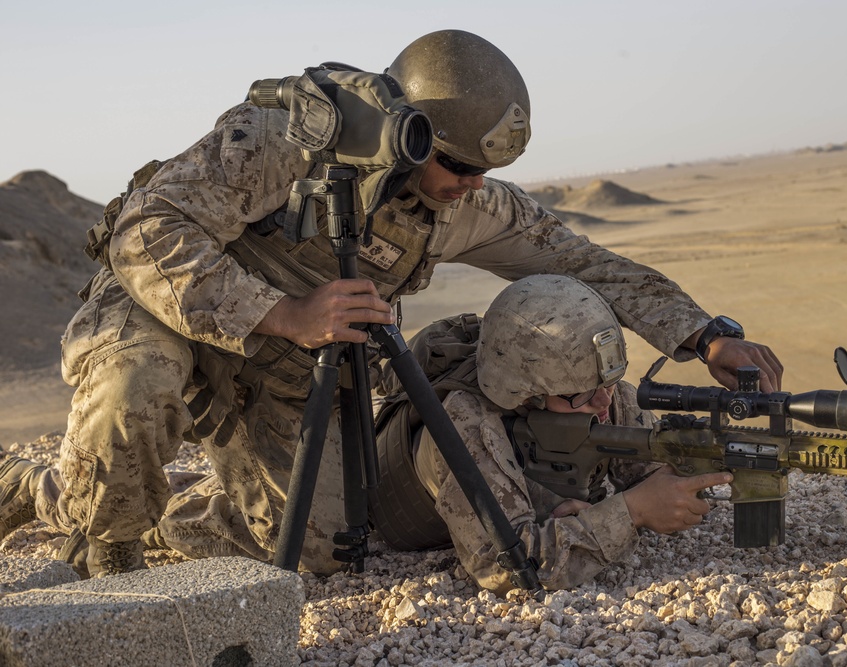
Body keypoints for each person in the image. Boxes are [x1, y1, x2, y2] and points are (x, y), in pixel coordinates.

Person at [0, 29, 781, 579]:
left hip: (284, 354)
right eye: (460, 164)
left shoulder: (461, 200)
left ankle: (108, 499)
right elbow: (147, 232)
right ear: (410, 133)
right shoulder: (280, 143)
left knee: (320, 545)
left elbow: (583, 261)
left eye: (484, 171)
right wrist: (283, 312)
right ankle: (103, 545)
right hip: (165, 302)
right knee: (134, 395)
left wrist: (705, 336)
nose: (473, 185)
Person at [370, 274, 733, 593]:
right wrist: (628, 513)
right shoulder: (468, 423)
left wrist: (694, 462)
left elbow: (650, 473)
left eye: (608, 382)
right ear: (528, 395)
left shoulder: (595, 391)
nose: (604, 399)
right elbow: (505, 569)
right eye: (584, 392)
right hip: (384, 523)